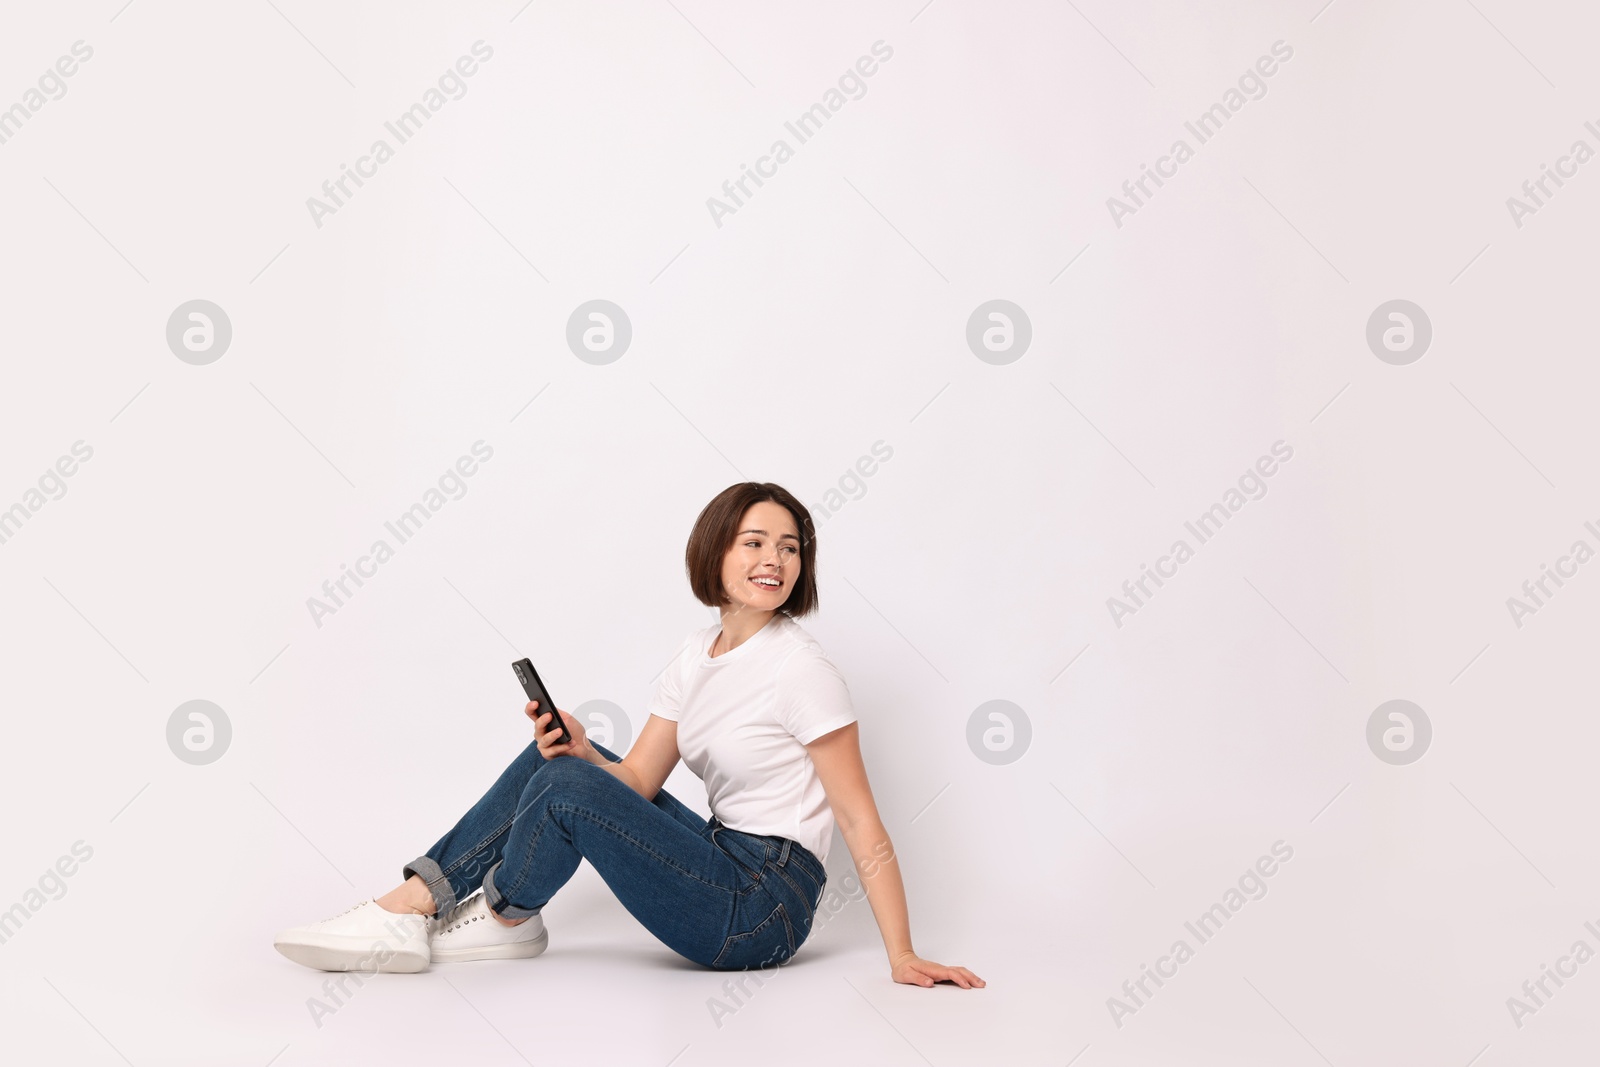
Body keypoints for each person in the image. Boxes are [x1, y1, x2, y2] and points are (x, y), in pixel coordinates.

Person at [274, 482, 984, 989]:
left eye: (791, 547)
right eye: (755, 541)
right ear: (716, 554)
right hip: (721, 854)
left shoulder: (803, 669)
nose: (776, 559)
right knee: (549, 759)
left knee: (560, 785)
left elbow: (859, 816)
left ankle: (462, 911)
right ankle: (472, 910)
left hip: (765, 907)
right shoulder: (695, 654)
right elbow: (639, 780)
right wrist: (580, 752)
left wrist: (903, 952)